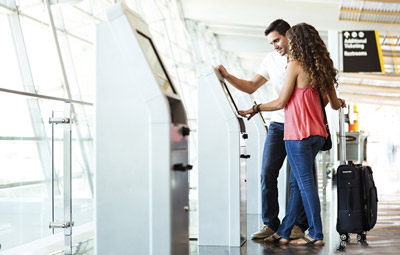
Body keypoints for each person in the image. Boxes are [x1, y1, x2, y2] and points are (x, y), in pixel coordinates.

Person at [239, 22, 346, 245]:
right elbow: (334, 104)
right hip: (318, 134)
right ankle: (285, 231)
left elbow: (281, 101)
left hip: (297, 133)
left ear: (295, 40)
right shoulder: (323, 67)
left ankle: (316, 233)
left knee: (305, 184)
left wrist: (256, 108)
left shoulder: (295, 65)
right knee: (297, 184)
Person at [216, 19, 308, 240]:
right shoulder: (270, 60)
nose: (275, 45)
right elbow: (251, 86)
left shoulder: (304, 59)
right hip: (278, 124)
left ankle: (297, 224)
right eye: (271, 42)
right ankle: (270, 223)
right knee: (267, 173)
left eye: (277, 40)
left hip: (300, 126)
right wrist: (227, 76)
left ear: (289, 35)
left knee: (298, 178)